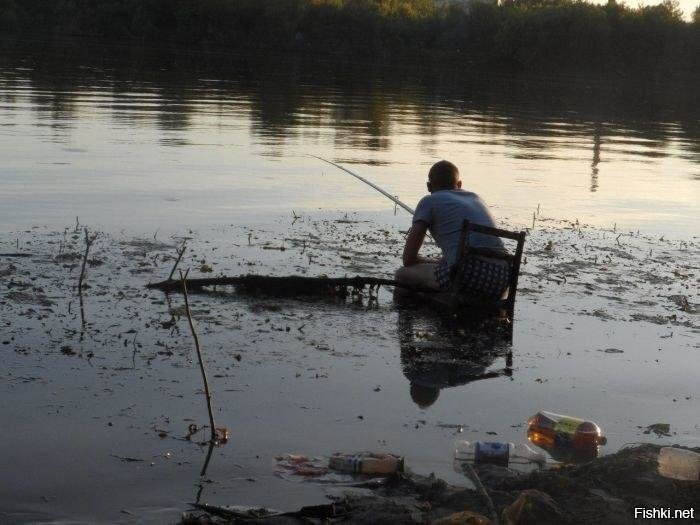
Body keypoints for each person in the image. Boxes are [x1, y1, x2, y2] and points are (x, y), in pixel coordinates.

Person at [395, 160, 509, 299]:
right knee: (446, 271)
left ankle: (405, 316)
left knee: (402, 275)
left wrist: (429, 261)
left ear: (429, 186)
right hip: (503, 280)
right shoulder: (476, 198)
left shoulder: (428, 202)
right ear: (459, 184)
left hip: (466, 277)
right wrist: (441, 261)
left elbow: (409, 259)